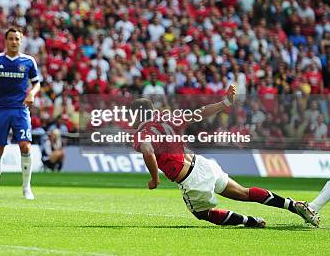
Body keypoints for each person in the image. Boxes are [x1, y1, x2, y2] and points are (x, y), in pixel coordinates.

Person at [133, 85, 317, 227]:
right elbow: (200, 113)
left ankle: (250, 221)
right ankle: (292, 205)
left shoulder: (142, 132)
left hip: (192, 179)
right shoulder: (167, 118)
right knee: (244, 192)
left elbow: (148, 151)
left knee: (202, 214)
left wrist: (155, 179)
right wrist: (225, 103)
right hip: (204, 164)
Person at [0, 27, 41, 200]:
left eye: (17, 39)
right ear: (5, 41)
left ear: (21, 41)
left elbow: (37, 83)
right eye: (11, 38)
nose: (14, 41)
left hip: (20, 109)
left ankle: (26, 188)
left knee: (25, 145)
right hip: (1, 109)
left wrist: (31, 93)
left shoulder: (29, 61)